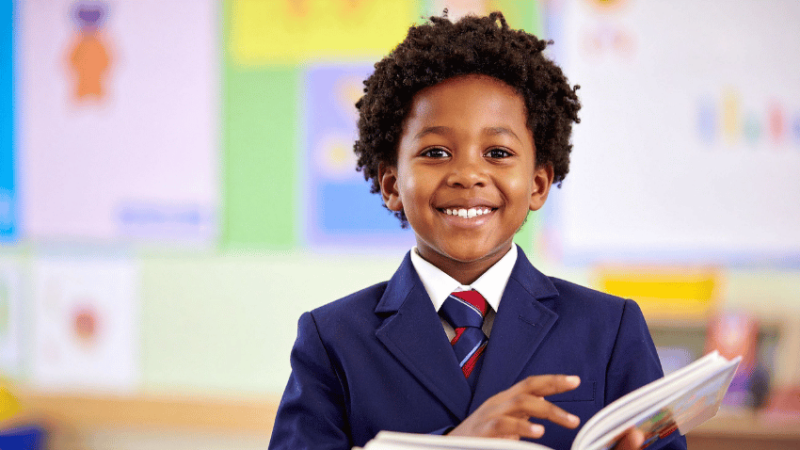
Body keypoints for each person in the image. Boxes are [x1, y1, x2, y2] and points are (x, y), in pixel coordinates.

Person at [269, 11, 686, 450]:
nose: (468, 174)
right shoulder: (332, 337)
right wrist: (454, 443)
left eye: (498, 152)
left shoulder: (610, 327)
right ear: (391, 185)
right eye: (435, 152)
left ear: (538, 184)